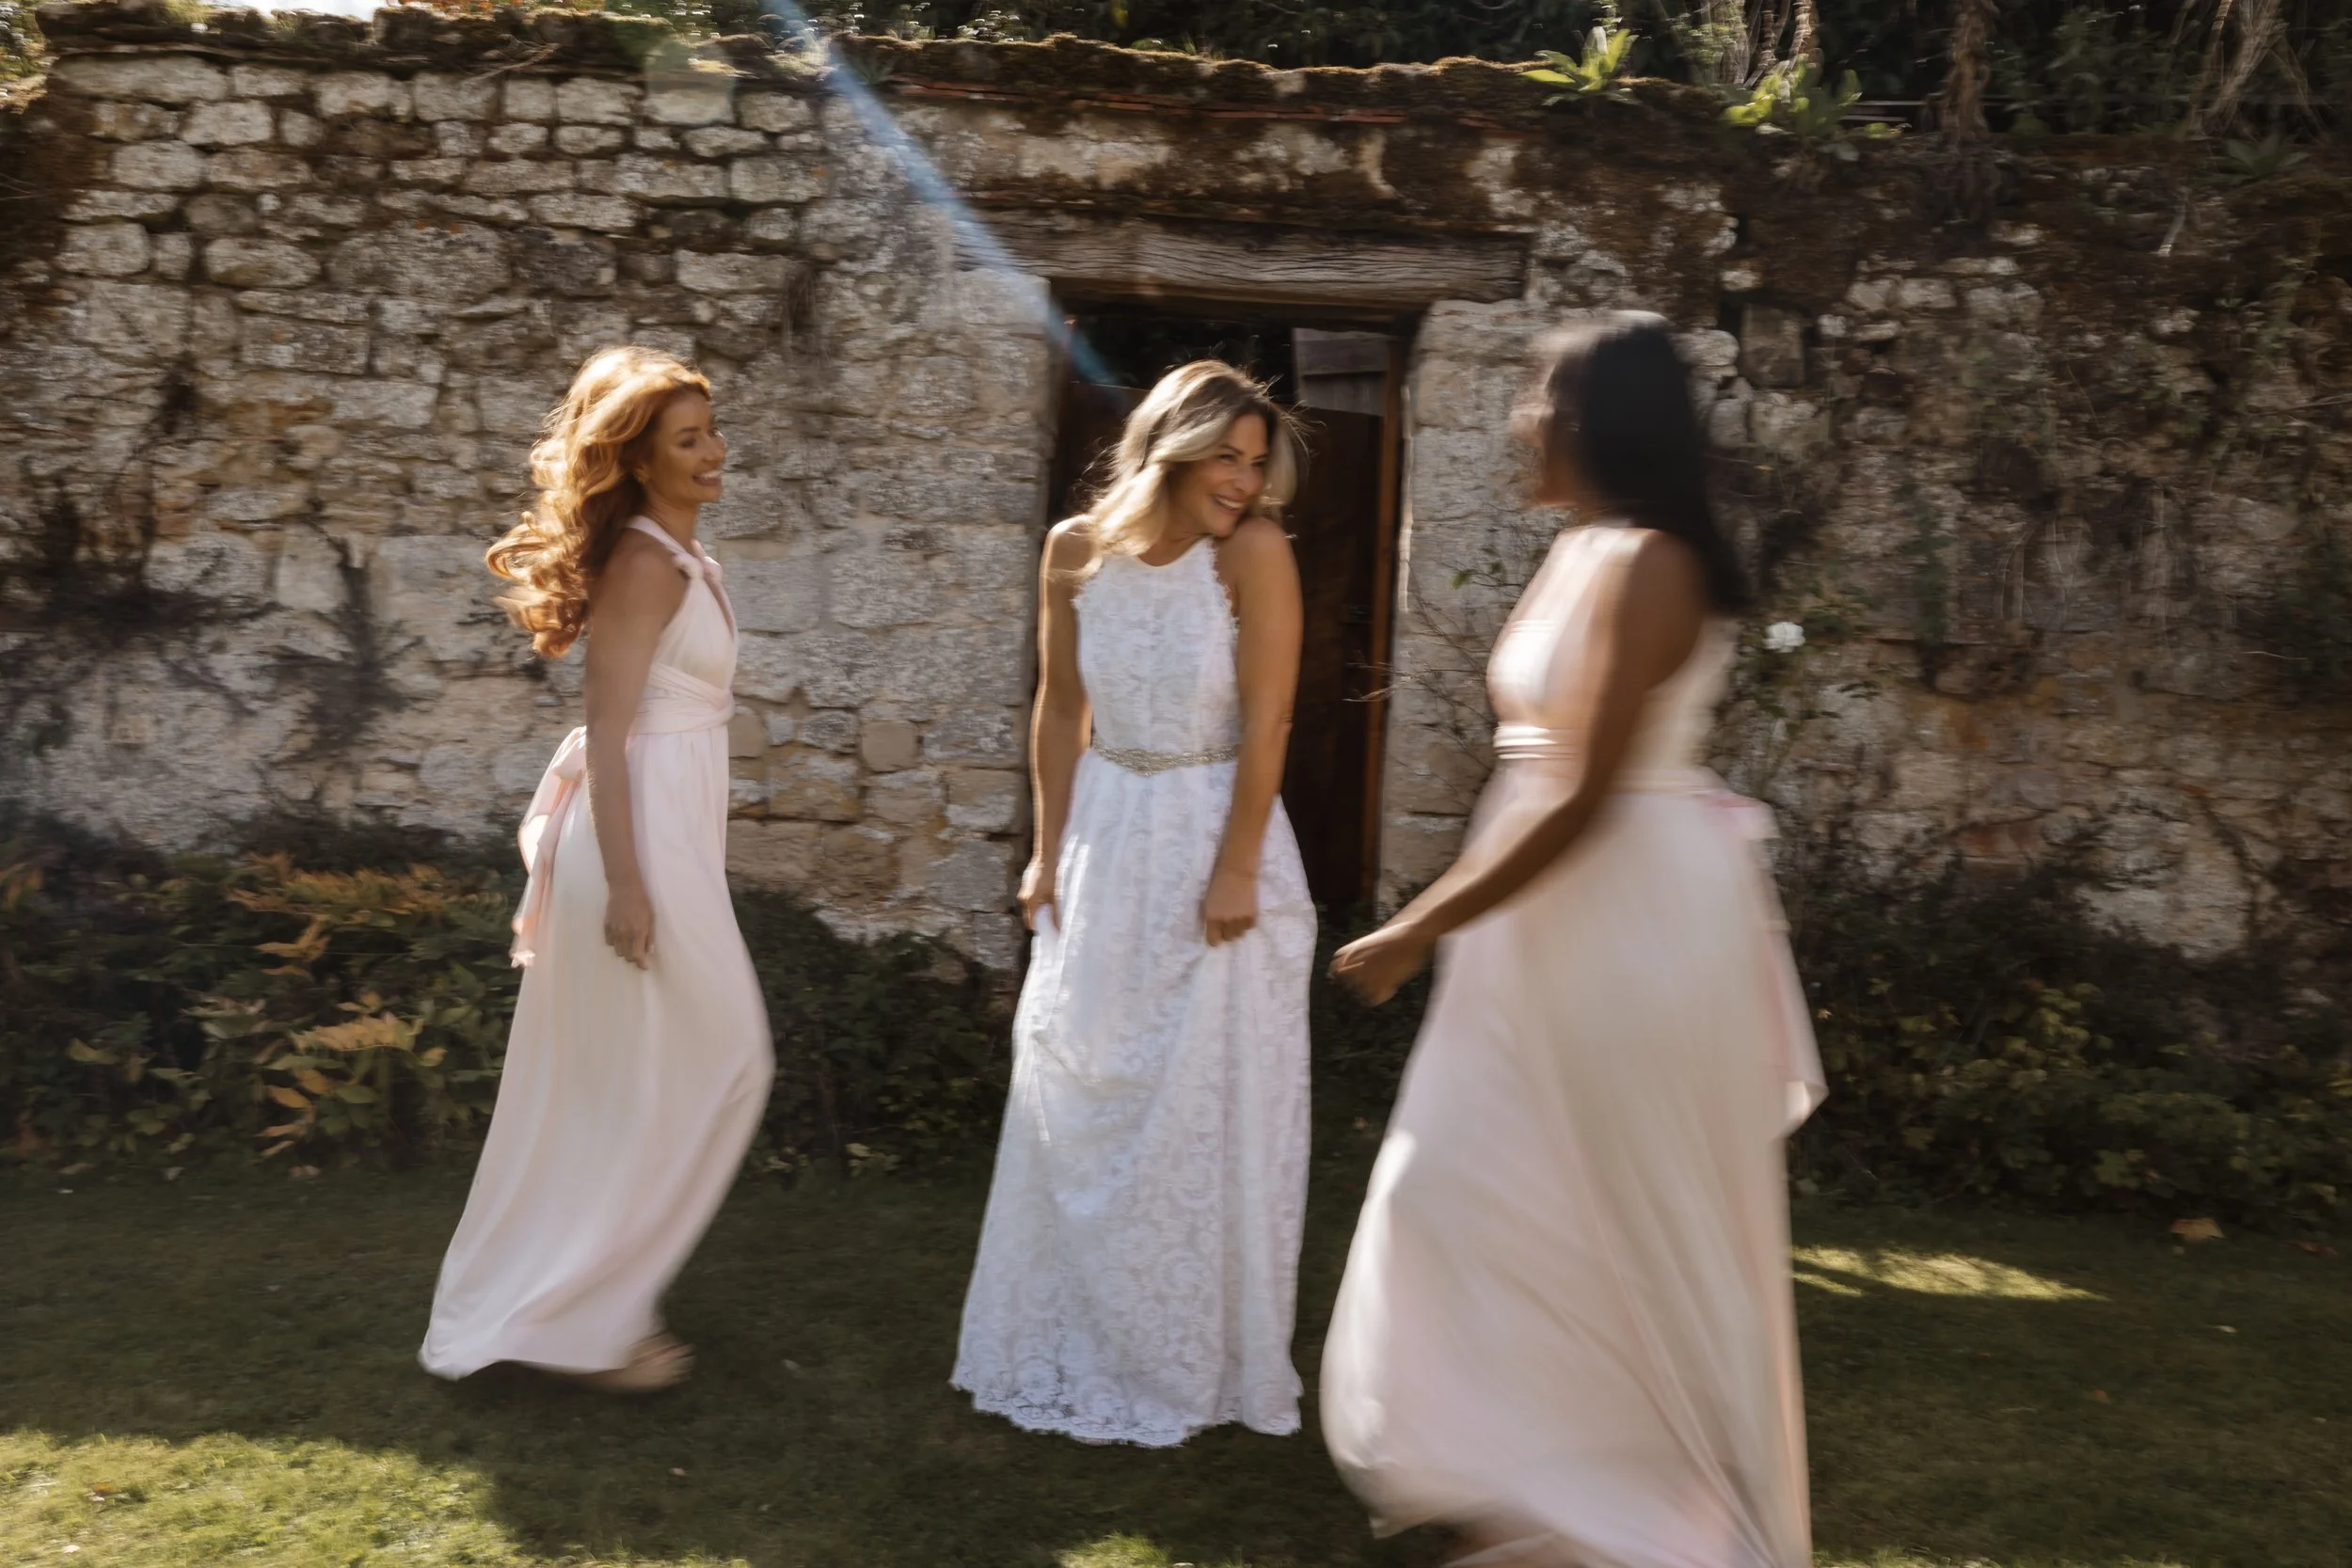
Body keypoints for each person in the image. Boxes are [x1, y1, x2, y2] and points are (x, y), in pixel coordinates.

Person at [1320, 312, 1827, 1566]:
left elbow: (1586, 791)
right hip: (1541, 921)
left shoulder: (1650, 560)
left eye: (1538, 391)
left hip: (1624, 918)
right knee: (1483, 1185)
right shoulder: (1587, 547)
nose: (1517, 415)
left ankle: (1635, 1502)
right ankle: (1542, 1481)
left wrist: (1416, 926)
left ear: (1597, 417)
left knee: (1589, 1197)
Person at [951, 360, 1317, 1447]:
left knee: (1202, 1101)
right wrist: (1045, 851)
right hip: (1108, 833)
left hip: (1214, 827)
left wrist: (1238, 862)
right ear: (1172, 444)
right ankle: (1074, 1333)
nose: (1245, 482)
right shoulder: (1074, 551)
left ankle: (1193, 1360)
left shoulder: (1251, 554)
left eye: (1258, 463)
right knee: (1084, 1077)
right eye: (1228, 456)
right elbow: (1060, 708)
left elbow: (1272, 720)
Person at [420, 346, 773, 1393]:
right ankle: (589, 1312)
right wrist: (628, 882)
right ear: (638, 459)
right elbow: (609, 733)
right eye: (688, 439)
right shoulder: (647, 563)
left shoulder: (682, 555)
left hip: (668, 832)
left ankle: (594, 1305)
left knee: (654, 1076)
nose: (714, 452)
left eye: (711, 431)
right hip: (634, 841)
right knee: (726, 1056)